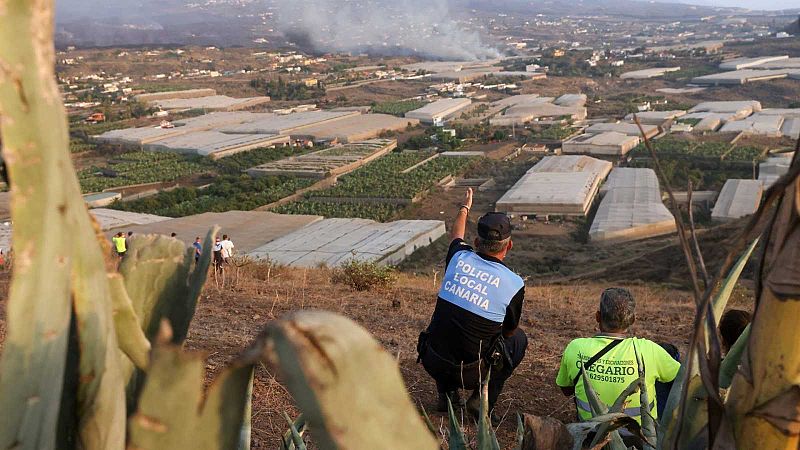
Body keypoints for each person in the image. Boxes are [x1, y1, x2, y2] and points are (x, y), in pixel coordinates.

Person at [417, 188, 527, 424]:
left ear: (476, 242)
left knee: (449, 323)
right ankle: (482, 401)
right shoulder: (514, 283)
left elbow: (455, 235)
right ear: (509, 247)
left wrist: (465, 207)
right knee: (517, 340)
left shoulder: (458, 257)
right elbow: (508, 332)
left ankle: (447, 396)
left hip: (432, 358)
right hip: (472, 372)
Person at [556, 288, 680, 425]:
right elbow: (684, 380)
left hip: (590, 433)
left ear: (598, 316)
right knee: (670, 357)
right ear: (633, 319)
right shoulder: (649, 350)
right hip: (641, 437)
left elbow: (566, 390)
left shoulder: (575, 347)